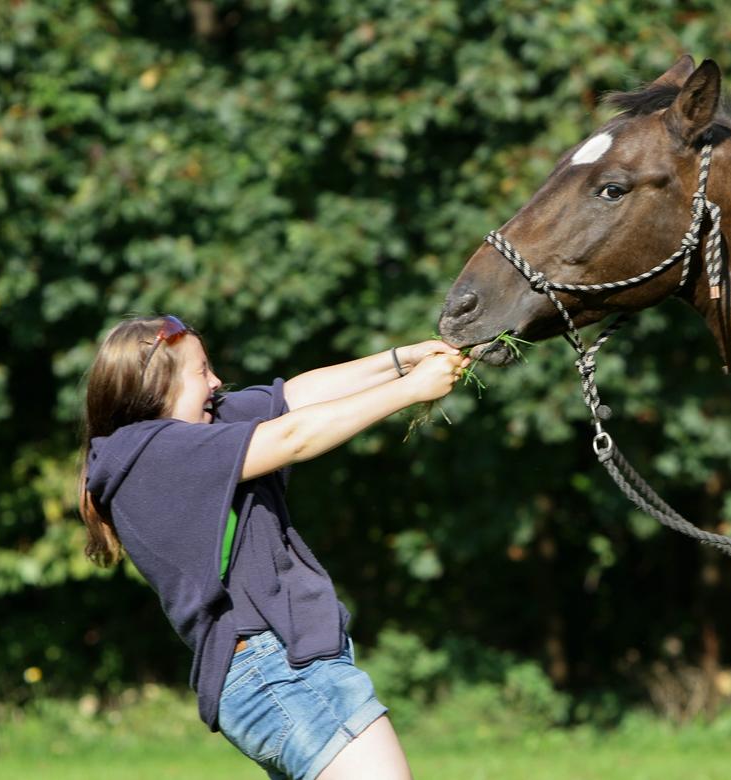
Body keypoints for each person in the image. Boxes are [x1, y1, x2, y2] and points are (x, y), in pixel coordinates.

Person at [78, 314, 468, 780]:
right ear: (157, 386)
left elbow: (293, 398)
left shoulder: (201, 427)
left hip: (279, 668)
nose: (216, 381)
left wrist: (402, 360)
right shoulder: (154, 452)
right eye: (202, 371)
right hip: (278, 668)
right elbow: (292, 436)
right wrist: (410, 390)